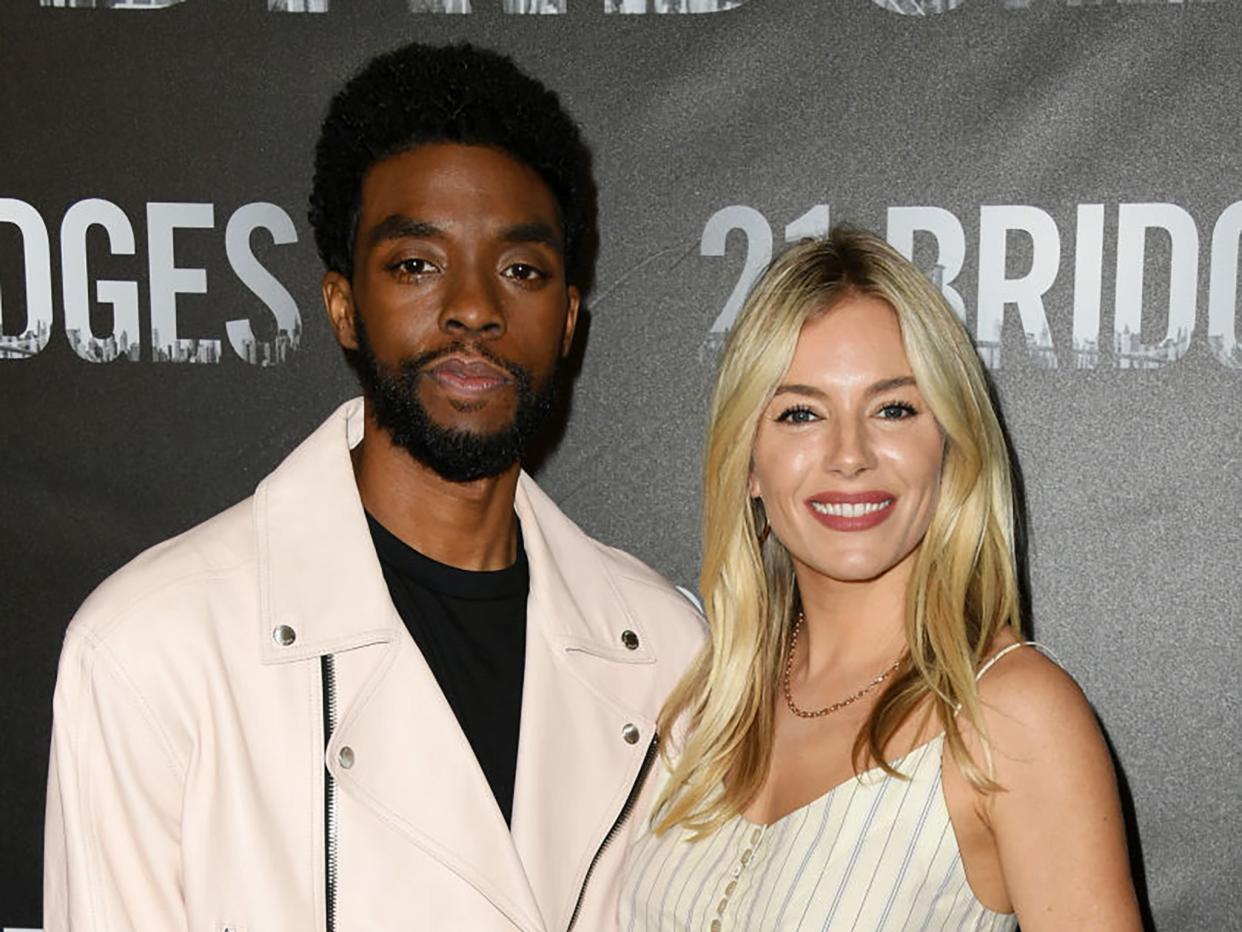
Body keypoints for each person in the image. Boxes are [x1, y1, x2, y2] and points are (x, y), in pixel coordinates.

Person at [44, 42, 703, 932]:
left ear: (569, 319)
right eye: (416, 265)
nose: (474, 308)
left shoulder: (667, 651)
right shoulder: (150, 650)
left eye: (521, 270)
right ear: (343, 304)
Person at [620, 228, 1142, 931]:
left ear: (952, 448)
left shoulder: (1011, 717)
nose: (849, 455)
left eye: (893, 408)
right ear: (748, 462)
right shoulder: (707, 703)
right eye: (800, 413)